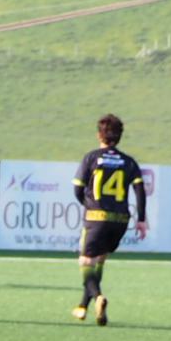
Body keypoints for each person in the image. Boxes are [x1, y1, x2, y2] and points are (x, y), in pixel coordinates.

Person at [71, 113, 146, 326]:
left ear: (99, 135)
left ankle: (98, 297)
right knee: (100, 259)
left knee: (86, 261)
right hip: (120, 220)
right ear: (119, 137)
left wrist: (88, 204)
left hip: (97, 217)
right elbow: (140, 190)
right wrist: (141, 219)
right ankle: (82, 306)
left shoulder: (91, 158)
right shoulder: (129, 162)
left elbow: (77, 189)